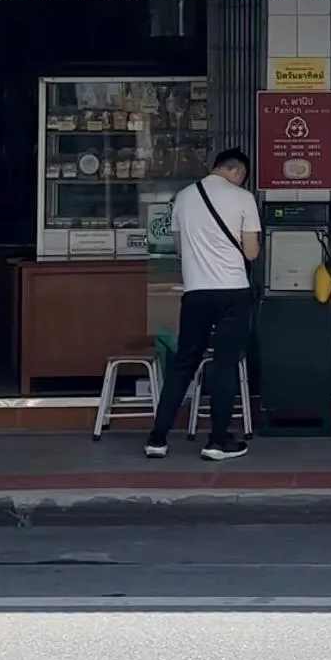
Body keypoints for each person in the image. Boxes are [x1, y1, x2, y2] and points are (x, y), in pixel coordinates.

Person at [145, 147, 261, 463]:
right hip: (233, 293)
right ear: (239, 172)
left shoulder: (183, 197)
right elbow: (251, 253)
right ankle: (217, 441)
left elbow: (181, 248)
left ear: (214, 167)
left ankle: (157, 439)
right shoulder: (243, 198)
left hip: (195, 292)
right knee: (224, 365)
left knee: (183, 363)